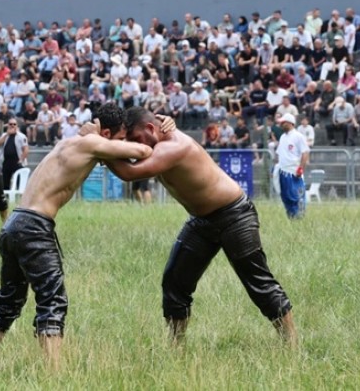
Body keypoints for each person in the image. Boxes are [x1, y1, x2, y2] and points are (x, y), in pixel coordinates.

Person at [0, 104, 173, 368]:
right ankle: (55, 374)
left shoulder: (71, 141)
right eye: (119, 138)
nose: (121, 144)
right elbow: (143, 151)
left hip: (14, 224)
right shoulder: (92, 143)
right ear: (106, 133)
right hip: (34, 227)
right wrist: (167, 129)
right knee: (52, 299)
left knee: (9, 297)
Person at [96, 107, 297, 346]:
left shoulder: (173, 146)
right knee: (175, 281)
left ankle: (292, 343)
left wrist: (98, 146)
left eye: (136, 140)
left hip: (234, 215)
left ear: (150, 128)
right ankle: (176, 346)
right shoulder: (156, 139)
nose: (134, 147)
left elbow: (128, 173)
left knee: (258, 281)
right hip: (202, 221)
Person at [274, 113, 310, 219]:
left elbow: (305, 153)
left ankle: (300, 217)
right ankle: (291, 217)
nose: (281, 124)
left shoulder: (298, 136)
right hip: (283, 171)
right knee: (286, 197)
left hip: (293, 171)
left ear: (290, 123)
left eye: (283, 122)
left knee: (297, 196)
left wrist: (301, 169)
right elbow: (279, 153)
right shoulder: (282, 137)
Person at [0, 117, 29, 190]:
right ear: (8, 125)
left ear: (17, 125)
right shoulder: (4, 135)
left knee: (19, 182)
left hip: (17, 161)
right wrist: (7, 134)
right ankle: (6, 195)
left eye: (14, 124)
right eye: (10, 124)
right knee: (5, 182)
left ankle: (19, 194)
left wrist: (21, 160)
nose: (12, 126)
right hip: (6, 161)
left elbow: (26, 149)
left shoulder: (21, 136)